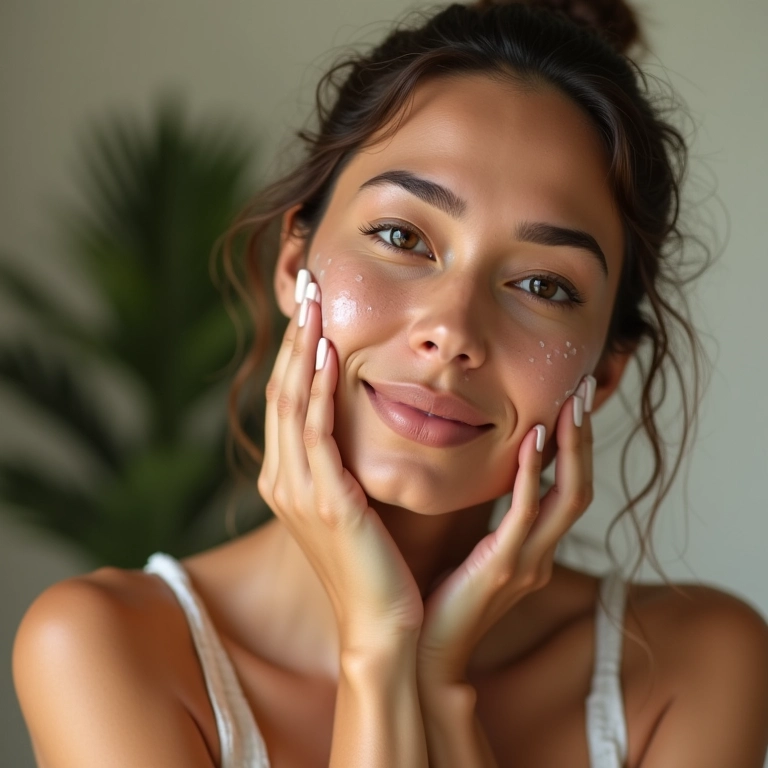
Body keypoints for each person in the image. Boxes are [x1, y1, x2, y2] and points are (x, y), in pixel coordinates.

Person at [12, 0, 768, 766]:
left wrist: (435, 684)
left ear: (602, 375)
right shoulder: (106, 649)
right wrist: (378, 653)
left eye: (543, 285)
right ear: (291, 263)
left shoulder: (689, 669)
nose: (454, 333)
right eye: (402, 237)